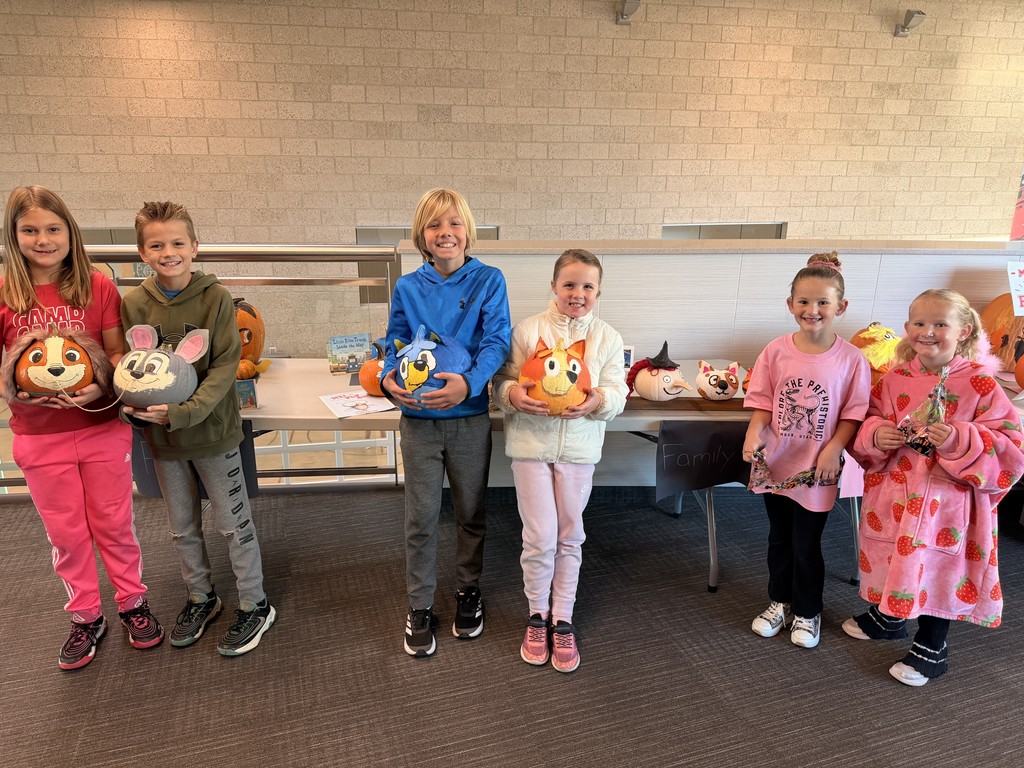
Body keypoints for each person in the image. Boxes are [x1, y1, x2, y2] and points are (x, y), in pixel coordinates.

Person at [0, 185, 163, 670]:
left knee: (115, 523)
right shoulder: (5, 293)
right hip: (37, 434)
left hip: (99, 426)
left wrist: (104, 385)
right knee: (66, 533)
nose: (43, 239)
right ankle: (85, 615)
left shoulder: (97, 286)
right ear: (14, 236)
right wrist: (14, 386)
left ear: (70, 233)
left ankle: (133, 602)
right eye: (30, 230)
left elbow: (115, 353)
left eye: (53, 229)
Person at [845, 289, 1024, 686]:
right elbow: (868, 418)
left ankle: (932, 644)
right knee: (894, 556)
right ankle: (887, 617)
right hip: (895, 492)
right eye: (919, 323)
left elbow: (1011, 447)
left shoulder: (981, 385)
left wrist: (960, 439)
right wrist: (877, 435)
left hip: (946, 503)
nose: (928, 332)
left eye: (940, 324)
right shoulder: (895, 378)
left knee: (937, 566)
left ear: (964, 331)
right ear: (907, 329)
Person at [122, 200, 274, 657]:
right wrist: (133, 411)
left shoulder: (217, 299)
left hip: (211, 434)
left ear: (194, 247)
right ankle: (201, 597)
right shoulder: (134, 304)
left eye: (177, 243)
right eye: (156, 245)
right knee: (182, 526)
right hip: (163, 440)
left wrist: (183, 412)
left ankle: (255, 602)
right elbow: (131, 369)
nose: (168, 252)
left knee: (232, 522)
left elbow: (225, 367)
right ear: (141, 252)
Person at [381, 188, 511, 657]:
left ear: (467, 230)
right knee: (419, 518)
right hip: (417, 421)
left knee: (470, 513)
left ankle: (467, 590)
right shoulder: (408, 287)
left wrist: (471, 383)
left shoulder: (489, 280)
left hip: (468, 420)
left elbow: (498, 341)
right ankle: (418, 605)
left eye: (454, 223)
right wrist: (386, 379)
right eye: (435, 225)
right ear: (422, 234)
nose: (446, 233)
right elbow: (395, 343)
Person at [492, 248, 627, 672]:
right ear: (553, 286)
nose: (578, 293)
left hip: (579, 452)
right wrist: (511, 394)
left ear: (599, 291)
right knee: (540, 535)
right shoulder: (528, 331)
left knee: (570, 534)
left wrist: (599, 401)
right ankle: (536, 613)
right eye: (569, 284)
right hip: (531, 449)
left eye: (588, 286)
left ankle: (562, 616)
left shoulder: (607, 338)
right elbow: (503, 379)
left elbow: (617, 391)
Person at [742, 251, 871, 649]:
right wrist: (753, 432)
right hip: (776, 465)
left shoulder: (851, 359)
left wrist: (834, 449)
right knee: (778, 538)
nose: (812, 310)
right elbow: (762, 399)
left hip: (818, 469)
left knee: (806, 543)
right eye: (803, 301)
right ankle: (778, 601)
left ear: (840, 307)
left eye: (822, 302)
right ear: (790, 305)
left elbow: (853, 411)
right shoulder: (776, 350)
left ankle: (808, 610)